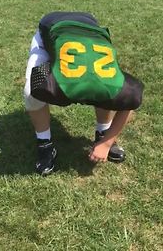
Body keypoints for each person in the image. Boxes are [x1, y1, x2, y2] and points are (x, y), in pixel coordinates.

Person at [24, 11, 144, 175]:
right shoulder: (52, 85)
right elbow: (37, 79)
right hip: (51, 27)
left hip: (90, 28)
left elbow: (128, 104)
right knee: (31, 92)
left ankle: (103, 132)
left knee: (108, 88)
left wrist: (107, 143)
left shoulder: (112, 86)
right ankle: (44, 142)